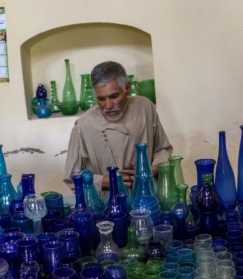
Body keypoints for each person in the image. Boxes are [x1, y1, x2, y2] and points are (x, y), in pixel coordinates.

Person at [63, 61, 173, 198]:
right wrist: (105, 181)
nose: (108, 105)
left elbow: (163, 149)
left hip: (148, 198)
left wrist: (155, 167)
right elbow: (71, 176)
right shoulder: (83, 125)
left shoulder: (145, 107)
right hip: (107, 206)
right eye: (101, 99)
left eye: (114, 96)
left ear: (127, 88)